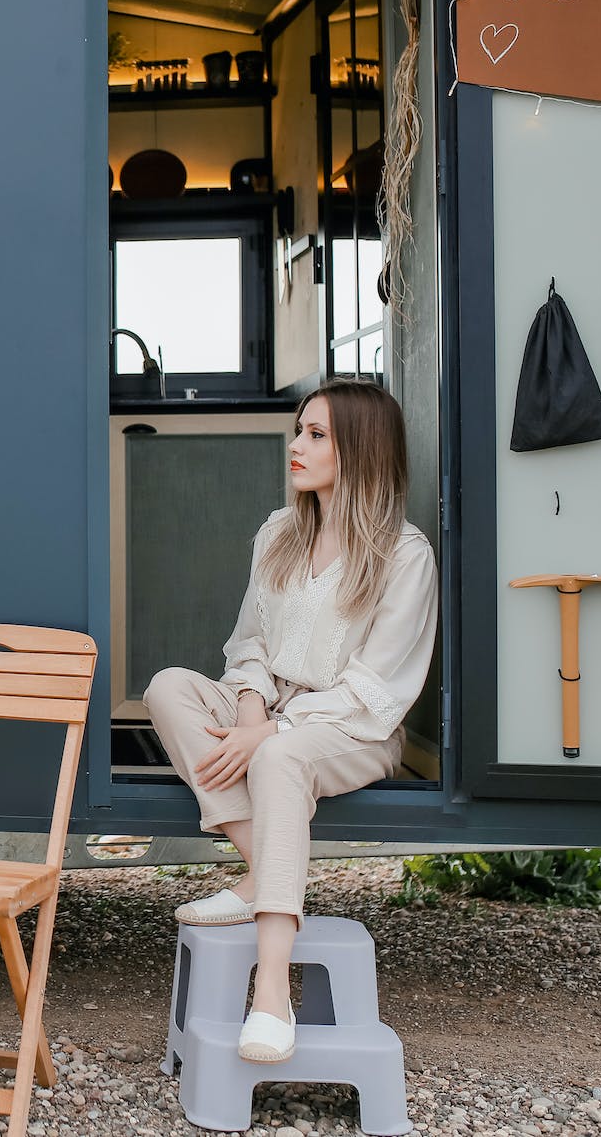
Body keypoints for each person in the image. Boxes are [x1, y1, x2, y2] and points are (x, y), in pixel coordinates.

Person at [144, 377, 438, 1064]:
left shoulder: (405, 554)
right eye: (298, 430)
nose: (295, 445)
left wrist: (270, 732)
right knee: (168, 690)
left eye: (314, 435)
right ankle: (261, 872)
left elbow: (376, 686)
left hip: (353, 725)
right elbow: (248, 640)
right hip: (268, 707)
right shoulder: (280, 532)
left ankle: (272, 990)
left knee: (279, 758)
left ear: (360, 450)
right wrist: (249, 705)